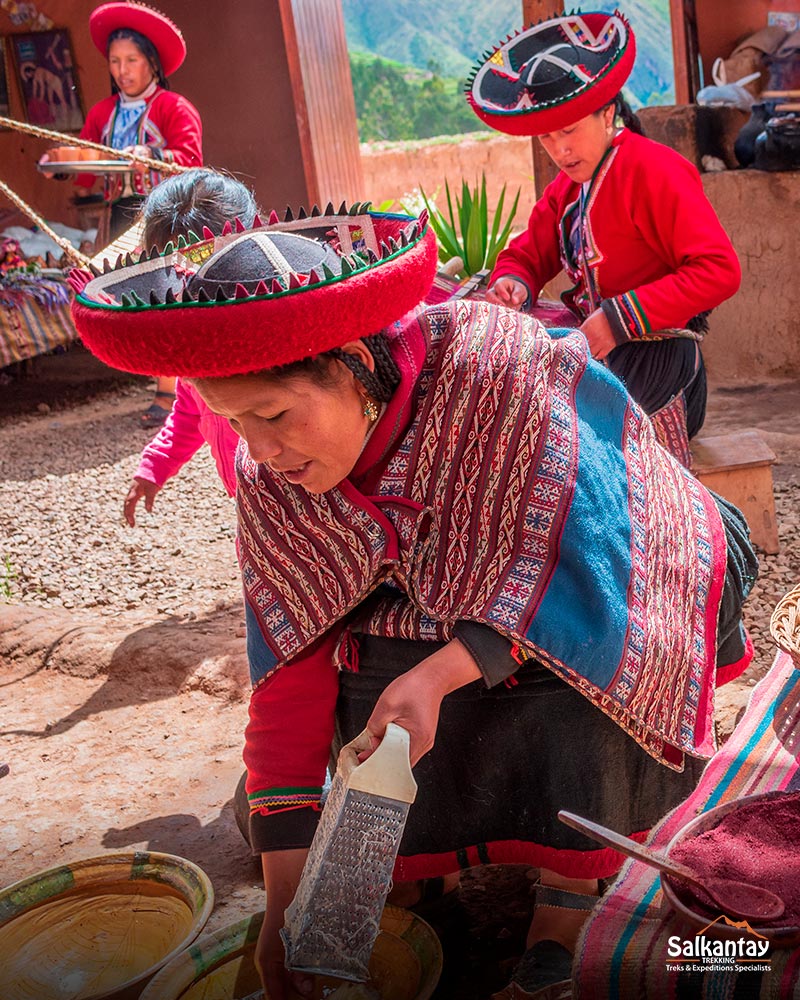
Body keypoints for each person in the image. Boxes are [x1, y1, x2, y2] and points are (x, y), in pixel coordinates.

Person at [70, 205, 757, 1000]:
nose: (259, 452)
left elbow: (597, 554)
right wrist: (285, 911)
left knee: (568, 657)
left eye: (273, 415)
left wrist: (440, 674)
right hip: (456, 603)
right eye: (232, 423)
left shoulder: (494, 371)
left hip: (632, 560)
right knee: (368, 700)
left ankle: (571, 891)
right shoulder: (274, 479)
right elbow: (289, 673)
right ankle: (423, 860)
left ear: (357, 364)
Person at [468, 11, 741, 467]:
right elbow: (528, 252)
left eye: (570, 130)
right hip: (599, 348)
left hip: (662, 357)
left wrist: (619, 320)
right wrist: (514, 280)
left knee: (564, 443)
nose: (560, 150)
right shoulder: (567, 189)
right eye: (547, 138)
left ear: (608, 112)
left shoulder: (656, 171)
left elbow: (719, 271)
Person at [41, 1, 203, 428]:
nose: (122, 70)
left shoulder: (174, 107)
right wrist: (63, 164)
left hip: (164, 216)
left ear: (151, 61)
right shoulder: (101, 115)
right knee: (132, 297)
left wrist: (151, 154)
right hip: (119, 215)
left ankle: (171, 392)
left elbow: (191, 160)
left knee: (164, 294)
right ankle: (168, 383)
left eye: (131, 60)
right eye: (115, 61)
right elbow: (88, 171)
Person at [122, 169, 258, 526]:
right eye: (175, 271)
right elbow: (188, 412)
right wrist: (154, 467)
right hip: (249, 501)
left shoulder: (277, 332)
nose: (190, 283)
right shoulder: (194, 347)